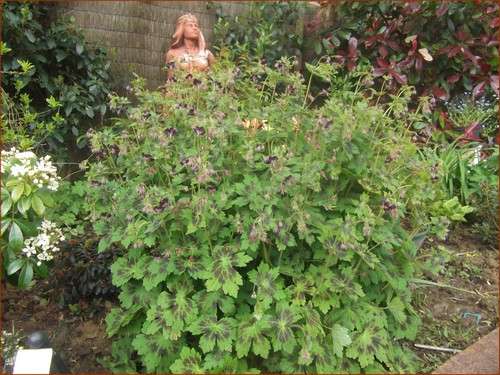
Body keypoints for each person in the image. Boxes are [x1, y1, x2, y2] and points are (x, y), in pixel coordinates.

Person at [165, 13, 215, 77]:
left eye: (196, 25)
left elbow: (214, 80)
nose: (194, 28)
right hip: (181, 86)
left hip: (203, 86)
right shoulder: (172, 54)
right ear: (182, 29)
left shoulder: (207, 54)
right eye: (190, 25)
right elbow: (170, 82)